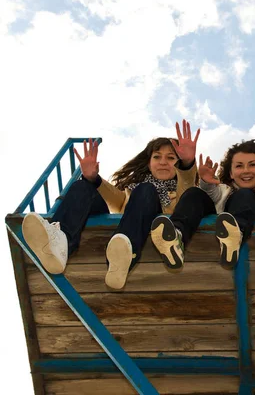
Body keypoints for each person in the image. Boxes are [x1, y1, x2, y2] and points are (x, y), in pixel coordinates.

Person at [22, 120, 202, 289]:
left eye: (171, 158)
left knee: (147, 190)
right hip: (127, 218)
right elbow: (113, 197)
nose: (163, 161)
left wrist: (187, 164)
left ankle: (125, 252)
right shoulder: (132, 191)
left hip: (148, 233)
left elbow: (187, 188)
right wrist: (93, 177)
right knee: (83, 186)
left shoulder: (182, 193)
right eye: (157, 157)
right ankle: (60, 242)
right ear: (149, 163)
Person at [198, 139, 255, 266]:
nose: (246, 170)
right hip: (211, 255)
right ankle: (232, 236)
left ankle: (236, 236)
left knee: (246, 194)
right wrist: (205, 182)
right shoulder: (223, 192)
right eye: (239, 166)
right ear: (231, 173)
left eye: (252, 165)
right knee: (244, 194)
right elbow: (210, 195)